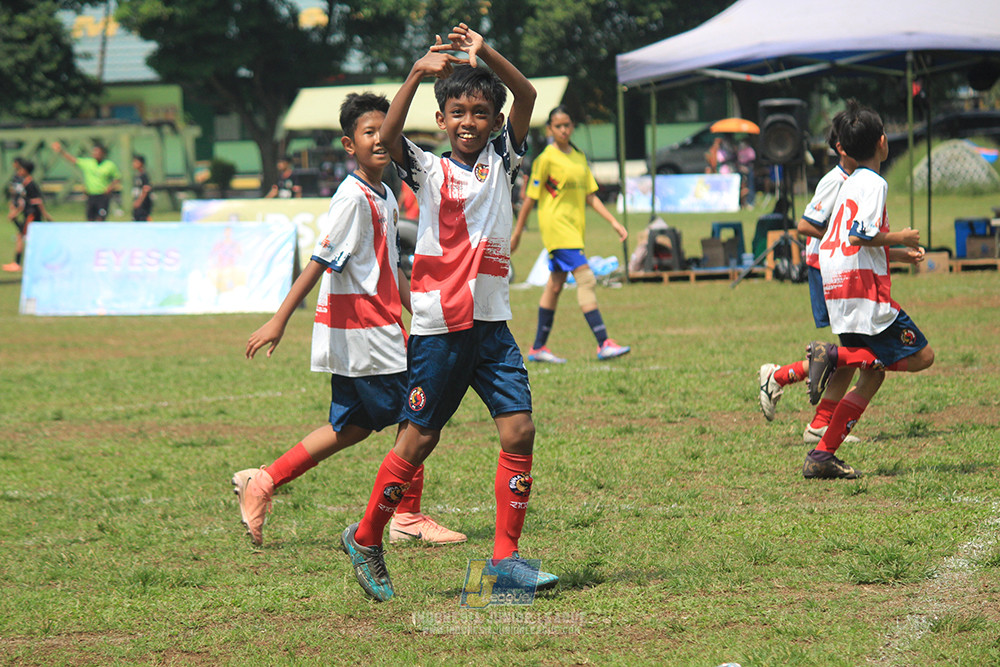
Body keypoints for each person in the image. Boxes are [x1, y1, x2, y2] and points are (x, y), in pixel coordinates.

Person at [339, 23, 558, 602]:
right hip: (440, 327)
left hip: (491, 326)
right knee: (418, 441)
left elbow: (528, 95)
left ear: (493, 119)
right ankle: (365, 538)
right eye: (458, 112)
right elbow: (386, 136)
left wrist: (486, 53)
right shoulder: (427, 169)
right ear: (441, 119)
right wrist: (415, 74)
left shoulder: (504, 158)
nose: (469, 122)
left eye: (480, 112)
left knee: (520, 428)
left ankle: (506, 563)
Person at [232, 92, 466, 548]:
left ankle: (262, 480)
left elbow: (389, 264)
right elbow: (320, 260)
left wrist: (419, 308)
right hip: (366, 332)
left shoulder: (385, 192)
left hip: (374, 328)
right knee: (418, 417)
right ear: (348, 144)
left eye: (385, 130)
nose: (380, 139)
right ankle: (408, 515)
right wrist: (280, 320)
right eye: (368, 133)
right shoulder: (352, 198)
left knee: (351, 427)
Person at [801, 99, 934, 480]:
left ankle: (822, 454)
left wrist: (897, 254)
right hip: (864, 294)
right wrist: (900, 235)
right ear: (883, 142)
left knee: (873, 373)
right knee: (924, 356)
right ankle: (836, 356)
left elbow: (847, 242)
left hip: (841, 287)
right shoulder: (874, 182)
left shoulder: (850, 183)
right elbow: (861, 235)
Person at [758, 112, 864, 446]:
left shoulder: (859, 179)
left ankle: (811, 412)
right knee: (853, 348)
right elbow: (805, 225)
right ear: (842, 148)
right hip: (826, 268)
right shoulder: (835, 180)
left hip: (839, 267)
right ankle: (782, 380)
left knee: (852, 349)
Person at [511, 106, 631, 363]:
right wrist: (518, 233)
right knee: (586, 279)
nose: (564, 130)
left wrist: (614, 222)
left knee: (554, 286)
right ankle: (604, 343)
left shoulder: (578, 156)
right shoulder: (546, 159)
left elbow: (590, 196)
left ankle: (538, 348)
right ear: (550, 129)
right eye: (558, 126)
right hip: (557, 230)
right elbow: (530, 200)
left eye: (567, 125)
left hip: (575, 231)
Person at [51, 141, 120, 221]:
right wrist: (61, 151)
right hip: (91, 195)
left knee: (100, 218)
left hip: (102, 195)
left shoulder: (109, 165)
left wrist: (110, 187)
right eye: (94, 152)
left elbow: (117, 178)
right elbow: (73, 160)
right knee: (90, 218)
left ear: (103, 153)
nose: (95, 154)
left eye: (98, 152)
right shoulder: (88, 163)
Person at [4, 158, 52, 272]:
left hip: (32, 214)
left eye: (20, 169)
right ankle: (41, 261)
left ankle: (18, 263)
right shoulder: (25, 183)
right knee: (28, 237)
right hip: (28, 213)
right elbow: (23, 201)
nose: (18, 172)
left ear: (25, 170)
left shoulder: (30, 184)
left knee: (23, 236)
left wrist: (45, 214)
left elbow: (36, 201)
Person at [131, 155, 153, 222]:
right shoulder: (137, 175)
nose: (134, 164)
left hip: (143, 203)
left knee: (143, 219)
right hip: (138, 202)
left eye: (136, 162)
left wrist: (139, 201)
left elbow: (146, 189)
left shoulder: (144, 175)